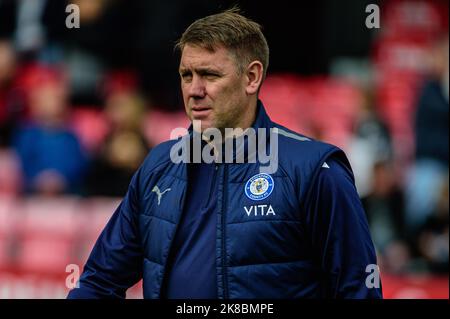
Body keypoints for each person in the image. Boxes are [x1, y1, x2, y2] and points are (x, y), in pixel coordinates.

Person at [68, 8, 382, 299]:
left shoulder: (314, 170)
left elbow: (359, 288)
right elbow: (98, 280)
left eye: (210, 75)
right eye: (186, 75)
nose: (194, 90)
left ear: (252, 77)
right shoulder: (159, 166)